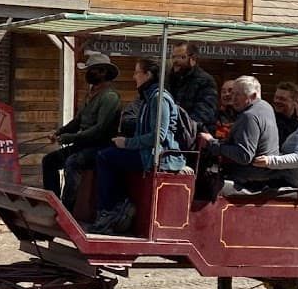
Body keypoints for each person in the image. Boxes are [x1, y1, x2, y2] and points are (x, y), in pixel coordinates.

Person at [92, 58, 184, 234]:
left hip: (157, 156)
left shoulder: (159, 98)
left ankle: (110, 210)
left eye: (137, 72)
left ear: (148, 75)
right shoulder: (148, 97)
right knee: (109, 153)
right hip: (147, 153)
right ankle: (119, 205)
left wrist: (127, 143)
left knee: (105, 157)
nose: (134, 77)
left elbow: (158, 136)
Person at [41, 51, 121, 210]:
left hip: (100, 147)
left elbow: (99, 130)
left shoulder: (110, 97)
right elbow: (77, 122)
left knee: (72, 163)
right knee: (49, 161)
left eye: (91, 70)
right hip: (83, 145)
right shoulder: (90, 94)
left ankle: (68, 210)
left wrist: (69, 138)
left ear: (103, 72)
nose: (87, 73)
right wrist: (58, 132)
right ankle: (53, 205)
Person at [199, 75, 278, 189]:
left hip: (250, 175)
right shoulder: (266, 107)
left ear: (253, 96)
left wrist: (212, 142)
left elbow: (244, 156)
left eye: (238, 95)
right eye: (233, 93)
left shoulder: (249, 116)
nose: (233, 98)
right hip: (265, 172)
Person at [167, 40, 218, 135]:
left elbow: (204, 113)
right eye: (173, 57)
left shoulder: (205, 80)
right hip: (174, 132)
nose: (176, 61)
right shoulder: (170, 79)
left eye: (182, 57)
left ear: (193, 59)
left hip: (196, 135)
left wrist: (181, 127)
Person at [272, 81, 298, 147]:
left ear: (294, 101)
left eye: (282, 99)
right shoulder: (270, 117)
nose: (277, 101)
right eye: (276, 97)